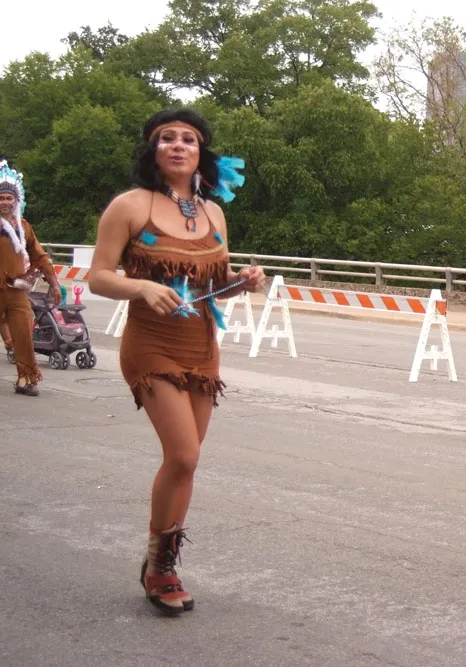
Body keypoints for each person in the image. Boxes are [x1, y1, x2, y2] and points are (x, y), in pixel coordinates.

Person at [89, 109, 265, 616]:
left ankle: (159, 560)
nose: (179, 145)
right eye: (167, 138)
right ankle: (161, 568)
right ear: (154, 149)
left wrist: (242, 283)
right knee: (183, 454)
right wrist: (142, 287)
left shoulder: (214, 214)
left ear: (201, 152)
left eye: (189, 138)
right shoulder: (128, 206)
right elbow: (98, 276)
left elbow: (215, 286)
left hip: (201, 348)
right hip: (150, 344)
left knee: (185, 461)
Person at [0, 160, 60, 396]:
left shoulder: (23, 227)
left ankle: (26, 378)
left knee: (24, 335)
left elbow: (40, 256)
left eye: (8, 198)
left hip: (15, 291)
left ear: (16, 201)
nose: (5, 202)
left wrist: (54, 283)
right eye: (1, 198)